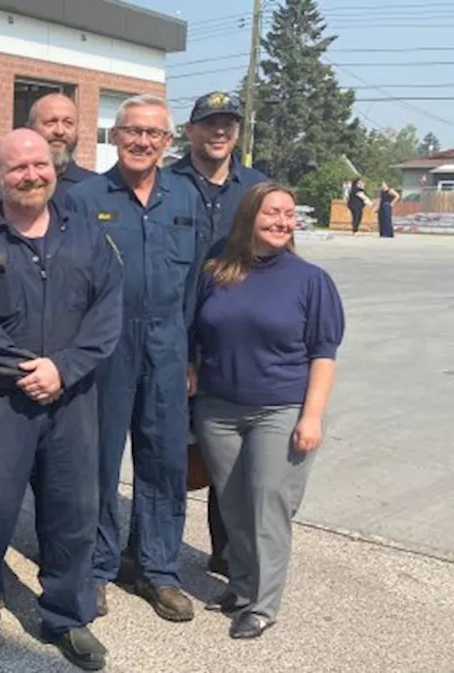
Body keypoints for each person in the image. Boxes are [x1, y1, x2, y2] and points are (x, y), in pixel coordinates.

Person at [0, 128, 123, 673]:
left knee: (73, 513)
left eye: (39, 164)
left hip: (70, 401)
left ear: (55, 167)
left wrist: (62, 370)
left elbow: (107, 312)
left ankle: (67, 616)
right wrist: (29, 371)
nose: (30, 175)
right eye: (16, 168)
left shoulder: (90, 237)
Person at [65, 94, 202, 623]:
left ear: (167, 143)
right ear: (115, 136)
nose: (143, 142)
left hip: (168, 345)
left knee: (165, 458)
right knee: (98, 461)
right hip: (106, 347)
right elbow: (73, 283)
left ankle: (157, 568)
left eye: (154, 134)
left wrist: (191, 355)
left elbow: (196, 287)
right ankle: (97, 567)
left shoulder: (184, 199)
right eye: (133, 132)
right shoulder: (86, 197)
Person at [191, 182, 345, 639]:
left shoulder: (310, 280)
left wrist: (312, 415)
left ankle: (264, 603)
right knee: (234, 504)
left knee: (268, 504)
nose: (281, 221)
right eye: (271, 212)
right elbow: (199, 331)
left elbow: (323, 353)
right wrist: (192, 367)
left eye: (288, 214)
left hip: (279, 408)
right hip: (218, 407)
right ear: (248, 218)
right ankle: (240, 585)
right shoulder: (217, 272)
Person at [169, 90, 269, 579]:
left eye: (228, 123)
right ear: (191, 130)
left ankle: (227, 552)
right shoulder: (166, 184)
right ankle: (153, 552)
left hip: (234, 345)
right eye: (210, 123)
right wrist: (185, 354)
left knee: (234, 460)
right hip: (171, 338)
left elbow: (277, 263)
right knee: (168, 451)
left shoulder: (256, 190)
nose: (220, 132)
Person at [26, 92, 98, 200]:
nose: (60, 131)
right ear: (30, 129)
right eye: (51, 122)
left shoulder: (96, 189)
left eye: (68, 123)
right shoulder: (13, 185)